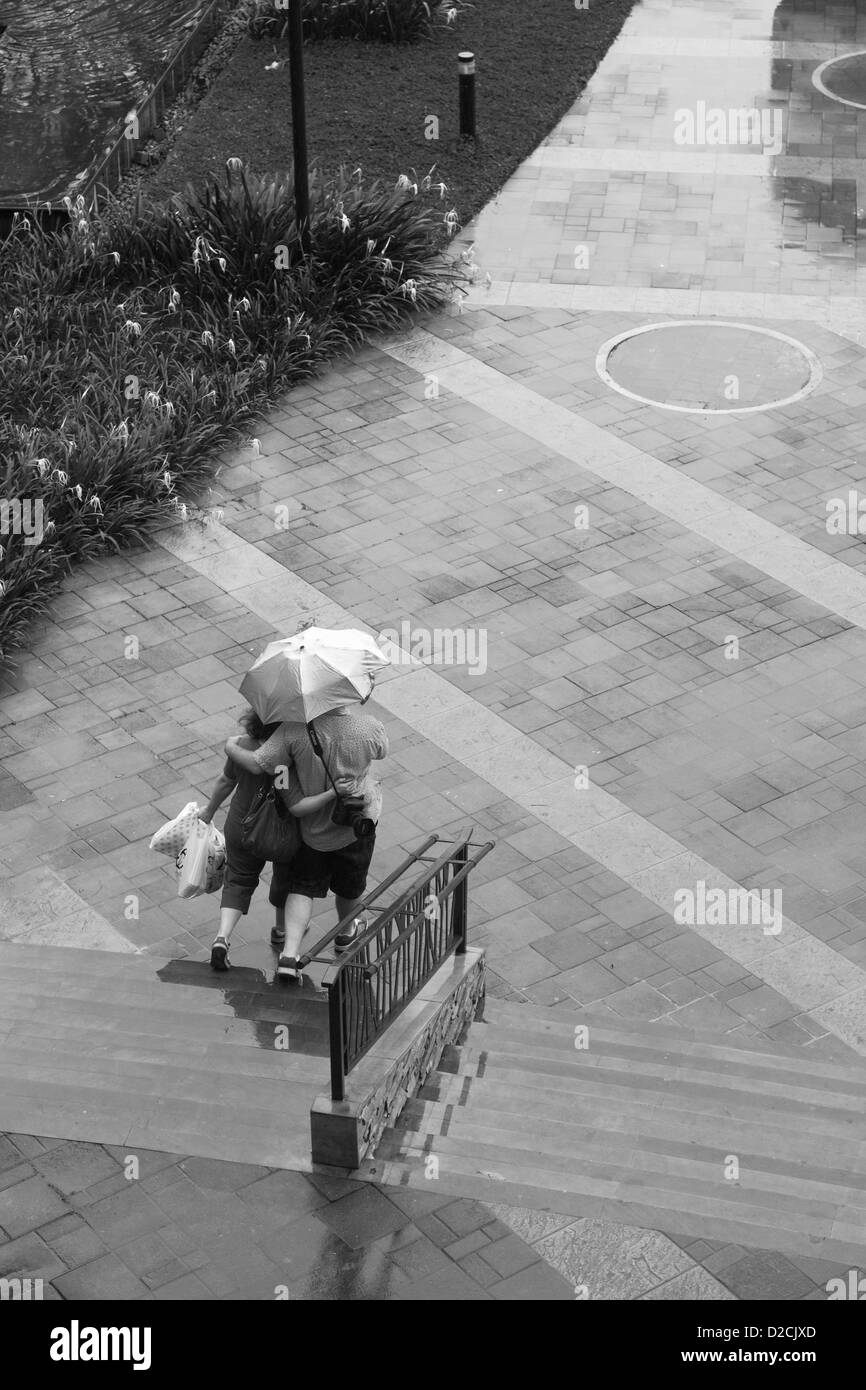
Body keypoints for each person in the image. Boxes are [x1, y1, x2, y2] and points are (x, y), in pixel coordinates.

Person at [224, 692, 388, 981]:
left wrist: (229, 747)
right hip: (356, 824)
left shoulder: (293, 732)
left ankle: (289, 952)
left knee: (302, 888)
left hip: (312, 831)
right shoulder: (370, 727)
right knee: (350, 887)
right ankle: (347, 933)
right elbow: (381, 752)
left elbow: (257, 763)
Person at [201, 708, 337, 972]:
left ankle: (222, 938)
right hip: (282, 834)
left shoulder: (241, 745)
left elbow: (226, 782)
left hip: (241, 827)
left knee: (238, 879)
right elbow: (291, 796)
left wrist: (208, 811)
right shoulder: (289, 757)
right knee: (285, 879)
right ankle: (281, 931)